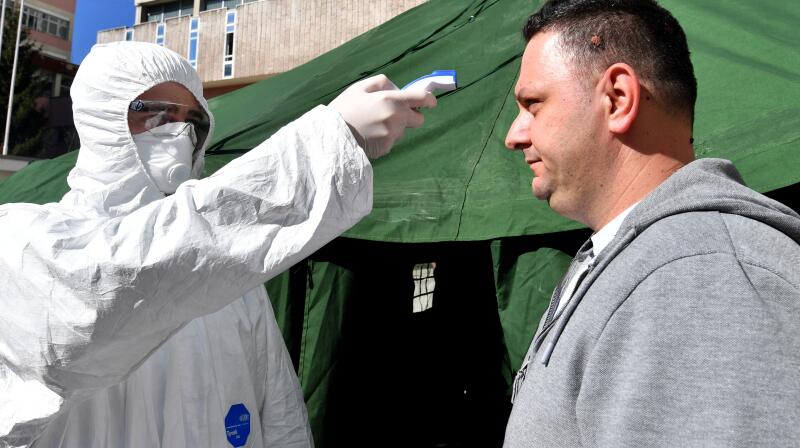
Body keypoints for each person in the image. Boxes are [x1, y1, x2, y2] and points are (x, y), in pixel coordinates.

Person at [0, 41, 435, 447]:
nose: (178, 133)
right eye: (155, 113)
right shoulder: (23, 245)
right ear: (101, 120)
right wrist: (327, 144)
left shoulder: (232, 276)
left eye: (192, 121)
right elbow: (123, 278)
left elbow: (278, 410)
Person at [503, 0, 800, 446]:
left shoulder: (700, 277)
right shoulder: (655, 260)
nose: (514, 135)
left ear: (617, 98)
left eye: (533, 104)